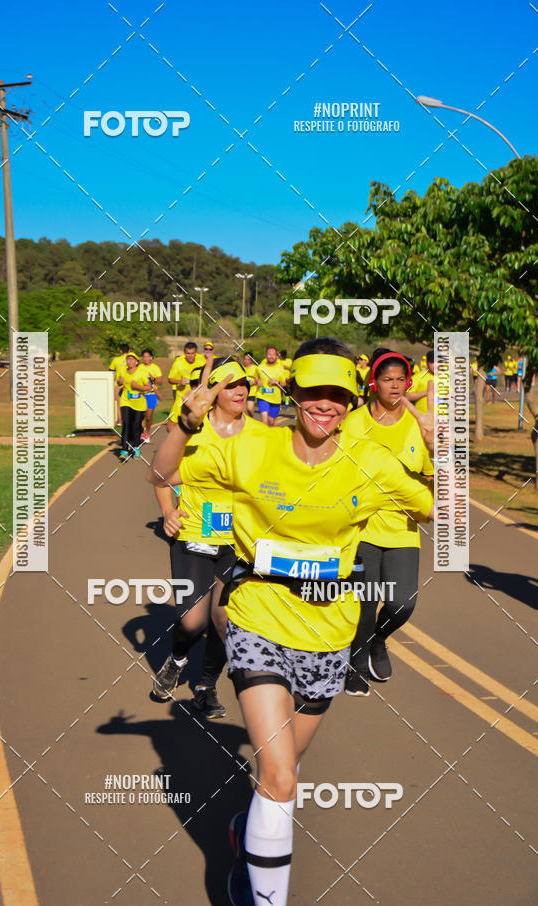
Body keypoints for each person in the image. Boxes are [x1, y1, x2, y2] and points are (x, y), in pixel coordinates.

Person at [148, 337, 434, 906]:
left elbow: (437, 507)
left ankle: (243, 833)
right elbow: (161, 471)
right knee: (282, 777)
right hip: (257, 620)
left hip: (328, 634)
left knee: (278, 774)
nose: (325, 404)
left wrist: (440, 450)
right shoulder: (253, 448)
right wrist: (184, 420)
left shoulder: (369, 462)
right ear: (293, 394)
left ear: (352, 401)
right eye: (314, 393)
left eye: (338, 395)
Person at [150, 358, 268, 719]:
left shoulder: (262, 435)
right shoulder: (193, 432)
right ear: (212, 391)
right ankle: (177, 659)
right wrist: (169, 511)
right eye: (229, 384)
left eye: (244, 384)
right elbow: (160, 475)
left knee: (223, 619)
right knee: (191, 621)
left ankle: (206, 686)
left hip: (240, 543)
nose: (239, 390)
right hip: (193, 535)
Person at [340, 348, 434, 695]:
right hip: (361, 527)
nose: (395, 386)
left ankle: (379, 640)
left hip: (402, 529)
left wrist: (435, 446)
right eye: (387, 379)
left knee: (402, 603)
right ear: (373, 383)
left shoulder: (419, 423)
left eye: (401, 379)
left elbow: (434, 480)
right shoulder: (354, 423)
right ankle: (356, 663)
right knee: (364, 602)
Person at [167, 342, 206, 432]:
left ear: (195, 353)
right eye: (188, 353)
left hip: (197, 399)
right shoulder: (179, 363)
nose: (190, 356)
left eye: (192, 353)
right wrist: (179, 381)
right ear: (184, 353)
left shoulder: (202, 362)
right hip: (181, 398)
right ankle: (178, 442)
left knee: (199, 425)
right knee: (170, 426)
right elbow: (170, 379)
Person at [117, 352, 148, 460]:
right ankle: (124, 451)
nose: (129, 361)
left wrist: (138, 386)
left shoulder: (142, 373)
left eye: (132, 359)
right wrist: (119, 381)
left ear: (136, 361)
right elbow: (119, 381)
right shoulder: (123, 371)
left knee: (136, 426)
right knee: (126, 425)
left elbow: (149, 387)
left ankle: (136, 448)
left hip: (139, 403)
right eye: (128, 359)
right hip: (126, 401)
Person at [256, 346, 287, 426]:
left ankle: (269, 436)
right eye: (269, 354)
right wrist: (257, 381)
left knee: (271, 422)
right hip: (262, 397)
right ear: (266, 356)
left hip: (275, 399)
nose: (271, 356)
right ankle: (265, 437)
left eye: (273, 354)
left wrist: (277, 382)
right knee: (265, 420)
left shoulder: (281, 369)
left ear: (276, 356)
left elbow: (284, 384)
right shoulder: (260, 367)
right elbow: (256, 378)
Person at [138, 349, 163, 442]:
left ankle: (147, 433)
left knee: (148, 417)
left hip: (151, 395)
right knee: (140, 416)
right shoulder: (139, 367)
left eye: (147, 356)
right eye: (144, 356)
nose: (145, 358)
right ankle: (141, 433)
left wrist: (154, 378)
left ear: (151, 357)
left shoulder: (155, 368)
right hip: (141, 394)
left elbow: (160, 382)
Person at [109, 342, 130, 426]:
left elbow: (110, 371)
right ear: (129, 350)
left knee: (119, 402)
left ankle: (120, 420)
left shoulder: (116, 360)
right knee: (130, 401)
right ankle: (129, 419)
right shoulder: (131, 359)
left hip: (118, 384)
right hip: (129, 383)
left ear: (121, 351)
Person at [242, 352, 258, 417]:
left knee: (249, 409)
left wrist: (252, 383)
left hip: (251, 392)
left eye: (248, 359)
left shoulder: (255, 368)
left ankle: (251, 419)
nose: (246, 361)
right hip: (242, 392)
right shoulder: (241, 368)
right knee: (242, 410)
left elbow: (258, 379)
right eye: (245, 359)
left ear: (251, 360)